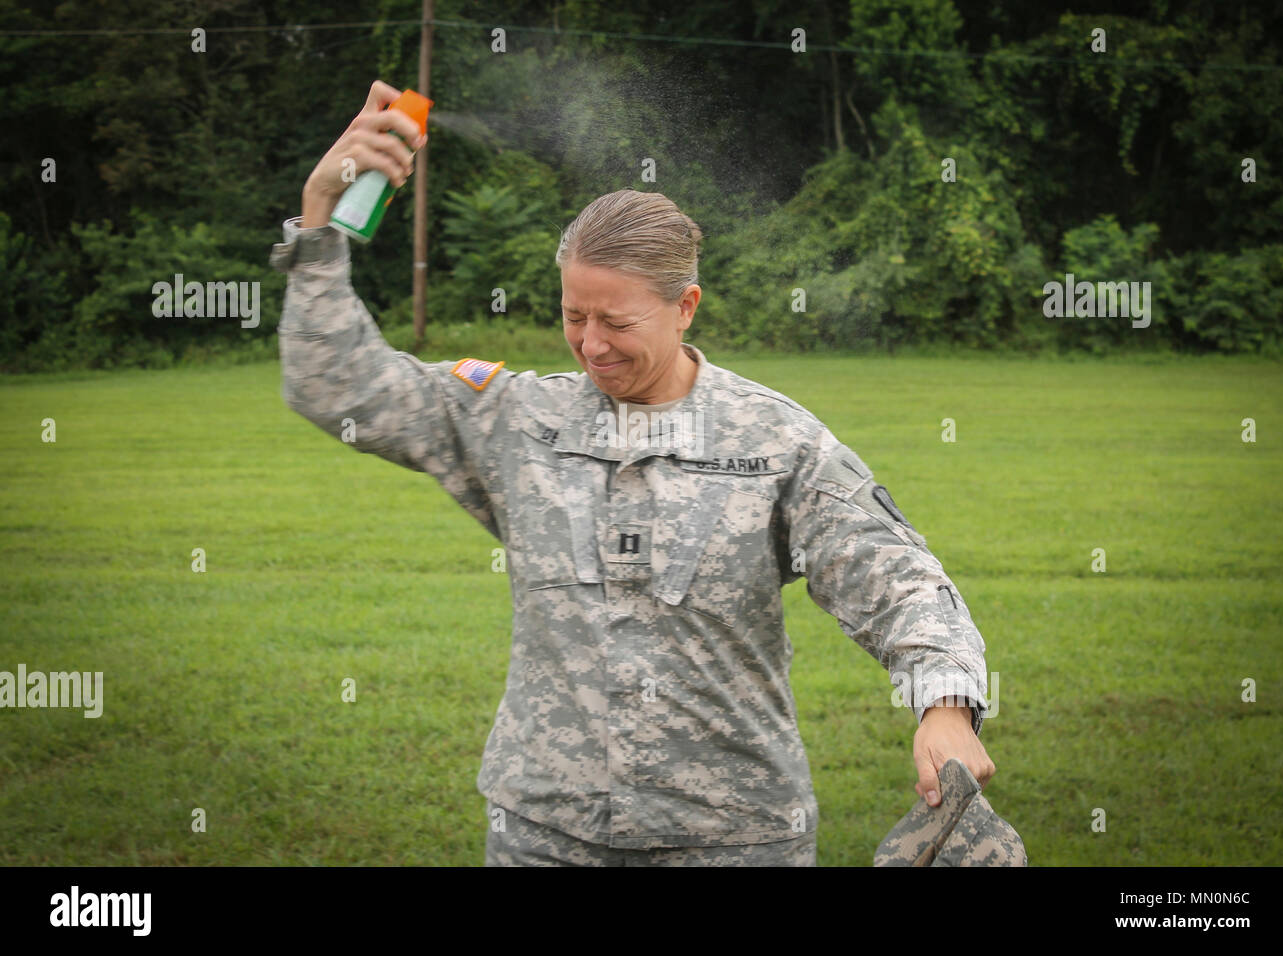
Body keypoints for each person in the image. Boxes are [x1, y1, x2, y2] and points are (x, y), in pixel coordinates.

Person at [273, 80, 995, 867]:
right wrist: (318, 220)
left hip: (731, 838)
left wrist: (946, 706)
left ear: (685, 306)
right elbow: (336, 384)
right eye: (573, 316)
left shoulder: (775, 441)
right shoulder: (517, 422)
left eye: (617, 322)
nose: (590, 345)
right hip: (545, 832)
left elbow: (899, 579)